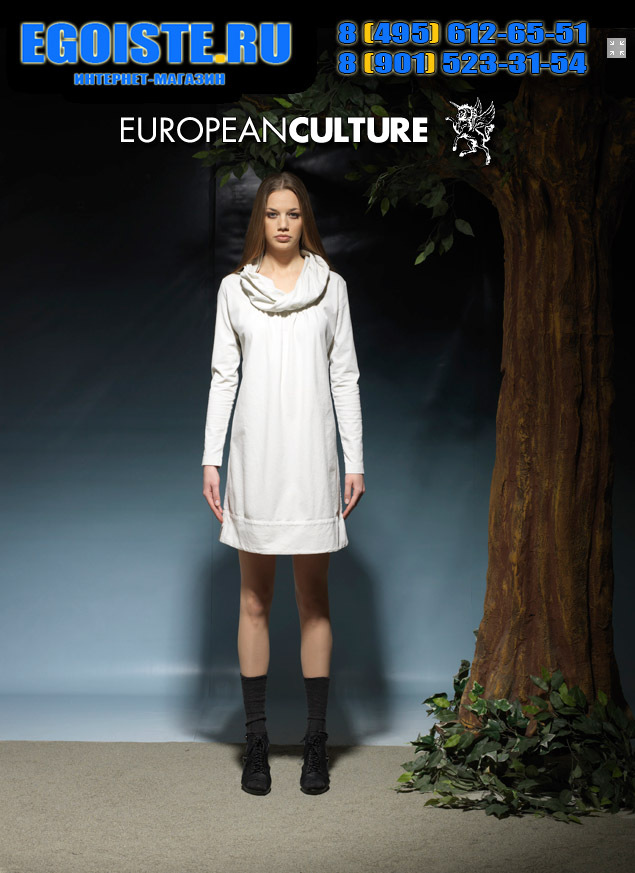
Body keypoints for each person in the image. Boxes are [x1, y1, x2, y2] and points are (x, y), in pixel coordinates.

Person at [201, 170, 365, 796]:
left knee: (313, 601)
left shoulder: (332, 288)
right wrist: (210, 459)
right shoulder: (234, 290)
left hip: (312, 459)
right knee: (254, 600)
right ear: (260, 221)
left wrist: (355, 461)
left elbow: (345, 376)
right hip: (256, 459)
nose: (283, 224)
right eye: (272, 213)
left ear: (305, 220)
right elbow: (223, 376)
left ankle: (316, 743)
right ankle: (257, 743)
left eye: (292, 214)